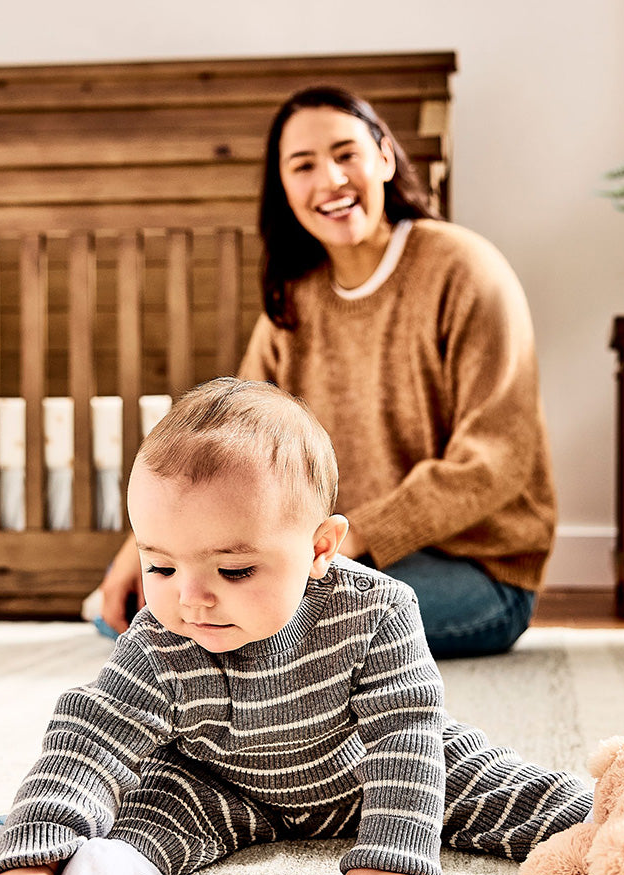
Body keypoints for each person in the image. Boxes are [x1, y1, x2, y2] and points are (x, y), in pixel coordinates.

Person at [0, 378, 591, 875]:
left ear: (319, 548)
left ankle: (620, 813)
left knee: (502, 784)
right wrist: (30, 856)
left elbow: (404, 737)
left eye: (234, 569)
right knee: (150, 805)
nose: (191, 597)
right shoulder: (158, 636)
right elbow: (90, 744)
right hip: (221, 782)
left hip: (362, 765)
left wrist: (392, 854)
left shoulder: (379, 609)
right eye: (160, 566)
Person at [93, 86, 556, 659]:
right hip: (330, 552)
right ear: (284, 188)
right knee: (157, 609)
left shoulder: (466, 270)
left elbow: (495, 461)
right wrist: (140, 552)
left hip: (480, 569)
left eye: (346, 154)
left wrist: (352, 538)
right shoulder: (294, 299)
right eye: (303, 165)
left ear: (384, 157)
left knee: (244, 618)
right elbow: (223, 443)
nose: (330, 179)